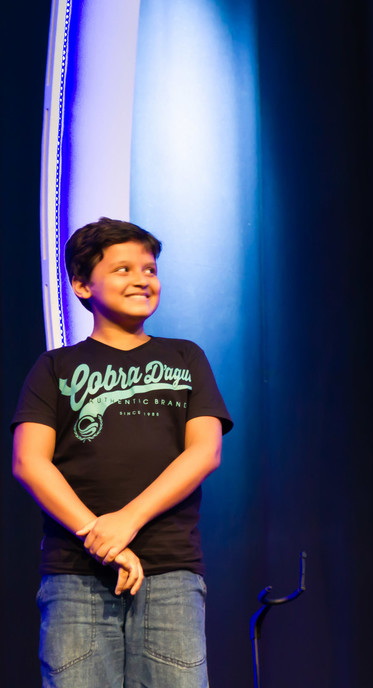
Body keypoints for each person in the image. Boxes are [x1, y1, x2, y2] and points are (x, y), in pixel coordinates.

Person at [11, 217, 232, 687]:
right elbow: (30, 461)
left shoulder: (184, 357)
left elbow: (204, 452)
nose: (141, 280)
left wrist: (126, 520)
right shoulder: (55, 367)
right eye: (123, 269)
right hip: (76, 574)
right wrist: (99, 535)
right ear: (81, 285)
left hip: (170, 570)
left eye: (149, 270)